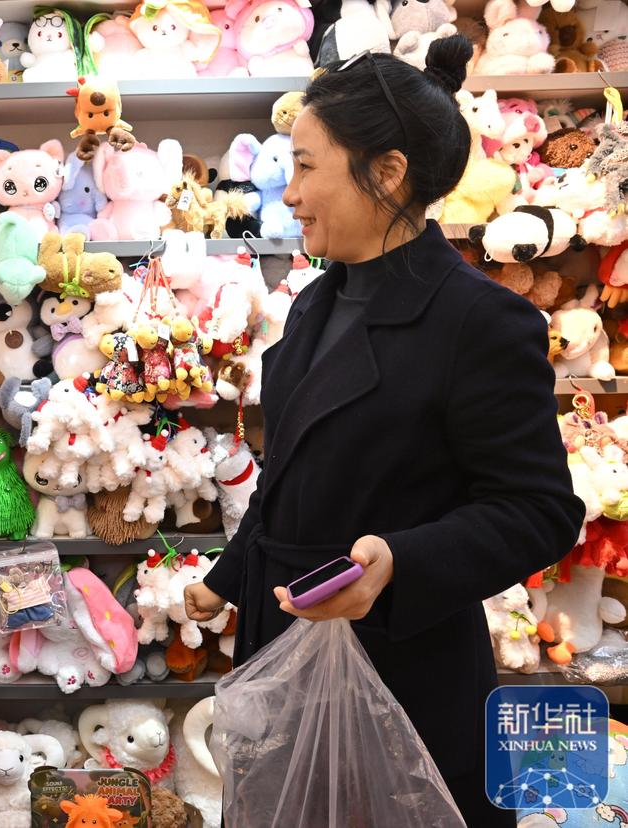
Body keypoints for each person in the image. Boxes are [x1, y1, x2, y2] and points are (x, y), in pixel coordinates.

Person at [184, 38, 584, 825]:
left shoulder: (479, 320)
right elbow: (286, 477)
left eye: (306, 167)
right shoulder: (315, 303)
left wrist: (401, 562)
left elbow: (540, 510)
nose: (290, 193)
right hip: (284, 650)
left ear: (388, 172)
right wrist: (225, 580)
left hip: (400, 675)